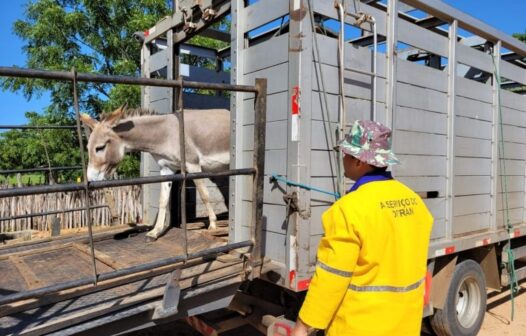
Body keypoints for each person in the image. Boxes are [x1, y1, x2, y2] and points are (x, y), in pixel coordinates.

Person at [291, 120, 434, 336]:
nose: (343, 159)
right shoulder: (414, 201)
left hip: (360, 326)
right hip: (405, 325)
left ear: (359, 161)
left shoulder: (349, 209)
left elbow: (332, 277)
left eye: (346, 154)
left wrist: (304, 325)